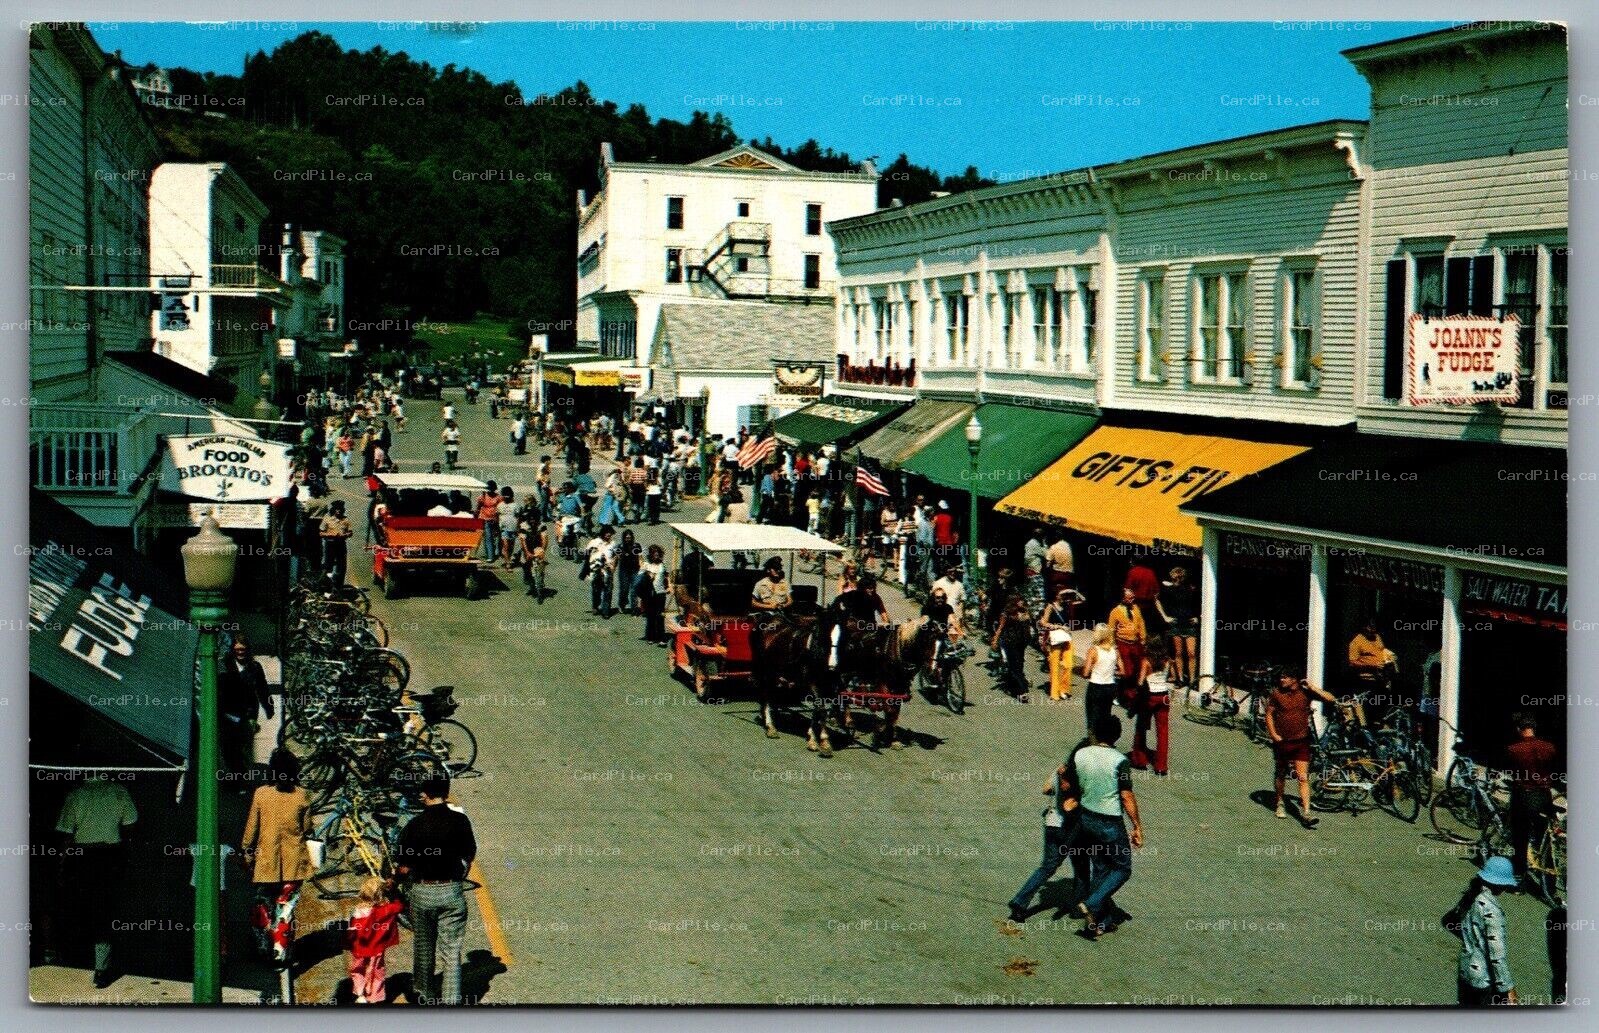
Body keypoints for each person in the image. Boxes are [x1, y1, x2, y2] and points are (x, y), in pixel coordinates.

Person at [394, 776, 476, 1006]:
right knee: (451, 952)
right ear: (447, 793)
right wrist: (459, 878)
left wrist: (393, 883)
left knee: (424, 947)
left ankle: (425, 995)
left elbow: (404, 866)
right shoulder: (460, 821)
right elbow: (469, 855)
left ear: (424, 795)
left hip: (422, 892)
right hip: (452, 891)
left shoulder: (415, 825)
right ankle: (451, 1002)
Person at [55, 772, 138, 987]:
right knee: (104, 909)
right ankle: (101, 967)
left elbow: (67, 834)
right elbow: (130, 825)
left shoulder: (76, 794)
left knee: (83, 907)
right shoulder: (119, 791)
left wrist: (62, 864)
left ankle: (80, 958)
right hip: (110, 855)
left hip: (83, 855)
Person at [1070, 714, 1143, 939]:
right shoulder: (1120, 761)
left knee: (1101, 869)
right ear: (1117, 735)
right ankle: (1091, 904)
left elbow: (1071, 782)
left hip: (1086, 819)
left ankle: (1099, 923)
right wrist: (1137, 826)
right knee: (1122, 868)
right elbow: (1126, 796)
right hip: (1109, 822)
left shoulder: (1080, 754)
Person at [1007, 733, 1094, 924]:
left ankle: (1020, 902)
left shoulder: (1061, 769)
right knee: (1081, 868)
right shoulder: (1082, 776)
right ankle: (1081, 906)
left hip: (1051, 824)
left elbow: (1046, 789)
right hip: (1070, 829)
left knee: (1047, 867)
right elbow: (1070, 806)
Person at [241, 749, 314, 963]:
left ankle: (263, 947)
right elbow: (308, 829)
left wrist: (247, 854)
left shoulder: (261, 794)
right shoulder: (303, 795)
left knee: (263, 908)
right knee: (286, 910)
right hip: (294, 865)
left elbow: (251, 829)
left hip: (266, 864)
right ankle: (281, 952)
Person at [1265, 670, 1339, 828]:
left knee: (1303, 777)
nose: (1281, 679)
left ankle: (1306, 812)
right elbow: (1269, 715)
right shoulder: (1276, 694)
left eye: (1285, 677)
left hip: (1301, 741)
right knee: (1281, 772)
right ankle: (1279, 802)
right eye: (1281, 677)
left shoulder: (1306, 693)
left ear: (1294, 679)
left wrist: (1312, 687)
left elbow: (1331, 699)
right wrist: (1273, 734)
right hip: (1282, 741)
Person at [1449, 855, 1520, 1005]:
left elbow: (1449, 922)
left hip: (1465, 970)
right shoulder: (1492, 911)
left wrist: (1473, 939)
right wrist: (1508, 988)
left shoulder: (1472, 896)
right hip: (1483, 979)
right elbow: (1497, 956)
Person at [1504, 714, 1559, 885]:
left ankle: (1519, 879)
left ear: (1519, 729)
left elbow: (1511, 772)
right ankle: (1549, 883)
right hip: (1544, 796)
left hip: (1524, 797)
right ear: (1534, 729)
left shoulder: (1513, 749)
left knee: (1520, 838)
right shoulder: (1549, 748)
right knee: (1545, 839)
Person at [220, 636, 274, 782]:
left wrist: (269, 708)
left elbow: (262, 689)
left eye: (243, 650)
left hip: (248, 713)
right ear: (232, 651)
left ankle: (240, 778)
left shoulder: (255, 667)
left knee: (242, 745)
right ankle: (237, 775)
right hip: (227, 714)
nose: (240, 653)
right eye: (237, 650)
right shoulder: (223, 667)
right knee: (229, 748)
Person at [346, 876, 404, 1004]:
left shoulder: (358, 912)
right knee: (377, 972)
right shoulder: (386, 910)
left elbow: (352, 932)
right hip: (376, 948)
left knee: (357, 969)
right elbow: (399, 906)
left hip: (359, 948)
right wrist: (394, 893)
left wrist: (349, 942)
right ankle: (374, 997)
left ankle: (360, 994)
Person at [1129, 640, 1172, 776]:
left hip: (1149, 697)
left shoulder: (1146, 661)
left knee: (1141, 727)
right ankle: (1161, 766)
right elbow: (1171, 677)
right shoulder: (1167, 661)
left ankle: (1139, 760)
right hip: (1164, 696)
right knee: (1163, 732)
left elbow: (1141, 681)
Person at [1107, 588, 1146, 712]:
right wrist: (1114, 648)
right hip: (1122, 643)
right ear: (1123, 599)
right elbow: (1111, 630)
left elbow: (1141, 624)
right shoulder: (1115, 612)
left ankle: (1130, 694)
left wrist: (1143, 639)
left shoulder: (1136, 608)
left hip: (1135, 644)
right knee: (1127, 672)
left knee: (1137, 670)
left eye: (1133, 597)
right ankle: (1128, 699)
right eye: (1130, 598)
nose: (1132, 599)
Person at [1162, 567, 1200, 688]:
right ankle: (1180, 679)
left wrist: (1198, 616)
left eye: (1179, 577)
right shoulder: (1169, 590)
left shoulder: (1190, 589)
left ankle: (1192, 680)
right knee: (1178, 652)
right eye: (1175, 577)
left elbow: (1199, 602)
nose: (1177, 579)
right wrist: (1165, 616)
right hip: (1176, 623)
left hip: (1189, 623)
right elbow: (1156, 598)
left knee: (1191, 653)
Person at [990, 595, 1033, 702]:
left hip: (1022, 642)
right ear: (1014, 602)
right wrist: (995, 640)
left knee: (1020, 663)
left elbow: (1028, 624)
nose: (1022, 602)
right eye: (1020, 600)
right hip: (1010, 642)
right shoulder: (1006, 613)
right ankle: (1021, 691)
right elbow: (1000, 628)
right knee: (1015, 666)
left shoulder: (1024, 611)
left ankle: (1011, 684)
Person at [1039, 587, 1078, 701]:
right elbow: (1043, 622)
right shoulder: (1050, 606)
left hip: (1066, 637)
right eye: (1062, 594)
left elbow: (1083, 599)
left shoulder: (1067, 605)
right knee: (1055, 665)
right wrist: (1058, 626)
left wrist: (1074, 591)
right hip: (1056, 638)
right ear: (1056, 595)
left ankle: (1064, 689)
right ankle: (1055, 692)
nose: (1064, 596)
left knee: (1068, 664)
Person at [1081, 624, 1120, 736]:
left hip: (1096, 686)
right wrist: (1111, 671)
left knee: (1092, 717)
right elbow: (1123, 671)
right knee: (1105, 715)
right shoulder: (1115, 651)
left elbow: (1085, 673)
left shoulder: (1093, 651)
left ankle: (1092, 741)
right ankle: (1104, 740)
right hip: (1110, 687)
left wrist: (1094, 668)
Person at [637, 544, 671, 644]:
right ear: (651, 555)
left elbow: (667, 575)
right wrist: (647, 574)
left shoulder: (663, 564)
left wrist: (669, 585)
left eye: (658, 554)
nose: (656, 556)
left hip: (660, 593)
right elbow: (639, 577)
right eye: (654, 554)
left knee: (660, 615)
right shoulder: (647, 565)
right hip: (649, 594)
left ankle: (661, 637)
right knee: (650, 615)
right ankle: (651, 637)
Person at [586, 525, 618, 617]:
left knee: (608, 591)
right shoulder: (595, 542)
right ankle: (595, 606)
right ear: (603, 533)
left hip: (608, 570)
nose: (609, 535)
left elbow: (616, 555)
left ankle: (606, 611)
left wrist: (614, 566)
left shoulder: (613, 544)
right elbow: (587, 554)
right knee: (596, 590)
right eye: (607, 533)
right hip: (596, 569)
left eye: (610, 533)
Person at [1125, 560, 1163, 638]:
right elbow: (1156, 592)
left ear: (1133, 561)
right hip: (1149, 606)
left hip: (1135, 605)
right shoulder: (1150, 572)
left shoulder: (1133, 572)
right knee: (1147, 630)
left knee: (1135, 630)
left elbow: (1128, 590)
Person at [320, 500, 354, 584]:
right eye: (336, 509)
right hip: (330, 544)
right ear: (333, 510)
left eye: (340, 509)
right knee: (328, 565)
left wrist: (345, 535)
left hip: (341, 545)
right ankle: (326, 584)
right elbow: (321, 533)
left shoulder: (346, 520)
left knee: (342, 566)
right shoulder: (327, 519)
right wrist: (331, 534)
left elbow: (350, 532)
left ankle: (338, 584)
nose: (338, 511)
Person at [616, 529, 641, 615]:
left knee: (634, 590)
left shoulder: (636, 546)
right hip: (624, 570)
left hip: (634, 570)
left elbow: (640, 557)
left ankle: (634, 608)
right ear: (624, 538)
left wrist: (642, 568)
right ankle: (622, 605)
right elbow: (617, 557)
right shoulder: (620, 546)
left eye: (629, 537)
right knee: (624, 589)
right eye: (626, 538)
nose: (628, 539)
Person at [1045, 532, 1075, 602]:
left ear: (1055, 538)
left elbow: (1047, 564)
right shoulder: (1068, 545)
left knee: (1052, 592)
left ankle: (1052, 605)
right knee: (1068, 595)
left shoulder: (1054, 547)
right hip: (1069, 575)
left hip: (1058, 575)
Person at [477, 483, 501, 563]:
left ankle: (490, 553)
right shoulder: (483, 496)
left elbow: (500, 507)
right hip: (485, 518)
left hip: (494, 519)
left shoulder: (498, 497)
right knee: (488, 537)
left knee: (493, 537)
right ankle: (490, 556)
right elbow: (478, 506)